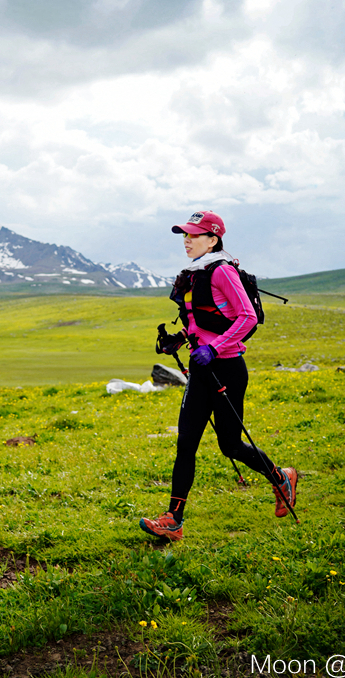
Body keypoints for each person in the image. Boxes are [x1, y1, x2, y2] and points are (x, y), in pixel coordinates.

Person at [139, 211, 297, 542]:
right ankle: (173, 520)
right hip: (200, 368)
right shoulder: (193, 275)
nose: (187, 240)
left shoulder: (223, 271)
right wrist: (179, 339)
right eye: (185, 235)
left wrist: (215, 348)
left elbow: (247, 317)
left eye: (194, 235)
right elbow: (201, 321)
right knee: (186, 443)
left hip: (227, 368)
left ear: (213, 240)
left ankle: (281, 477)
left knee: (230, 445)